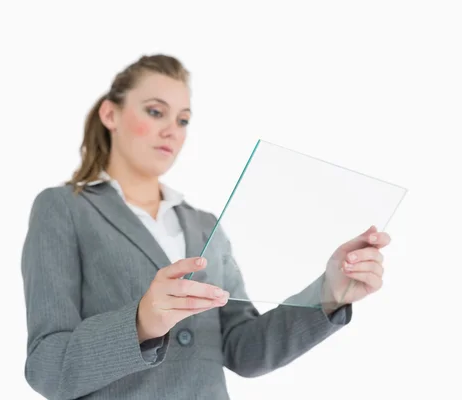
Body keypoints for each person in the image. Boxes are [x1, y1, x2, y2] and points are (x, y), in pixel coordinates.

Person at [20, 54, 391, 400]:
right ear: (110, 114)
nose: (172, 131)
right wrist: (140, 323)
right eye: (154, 112)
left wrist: (329, 294)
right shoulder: (63, 208)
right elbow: (47, 364)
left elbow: (245, 350)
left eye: (182, 120)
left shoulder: (204, 225)